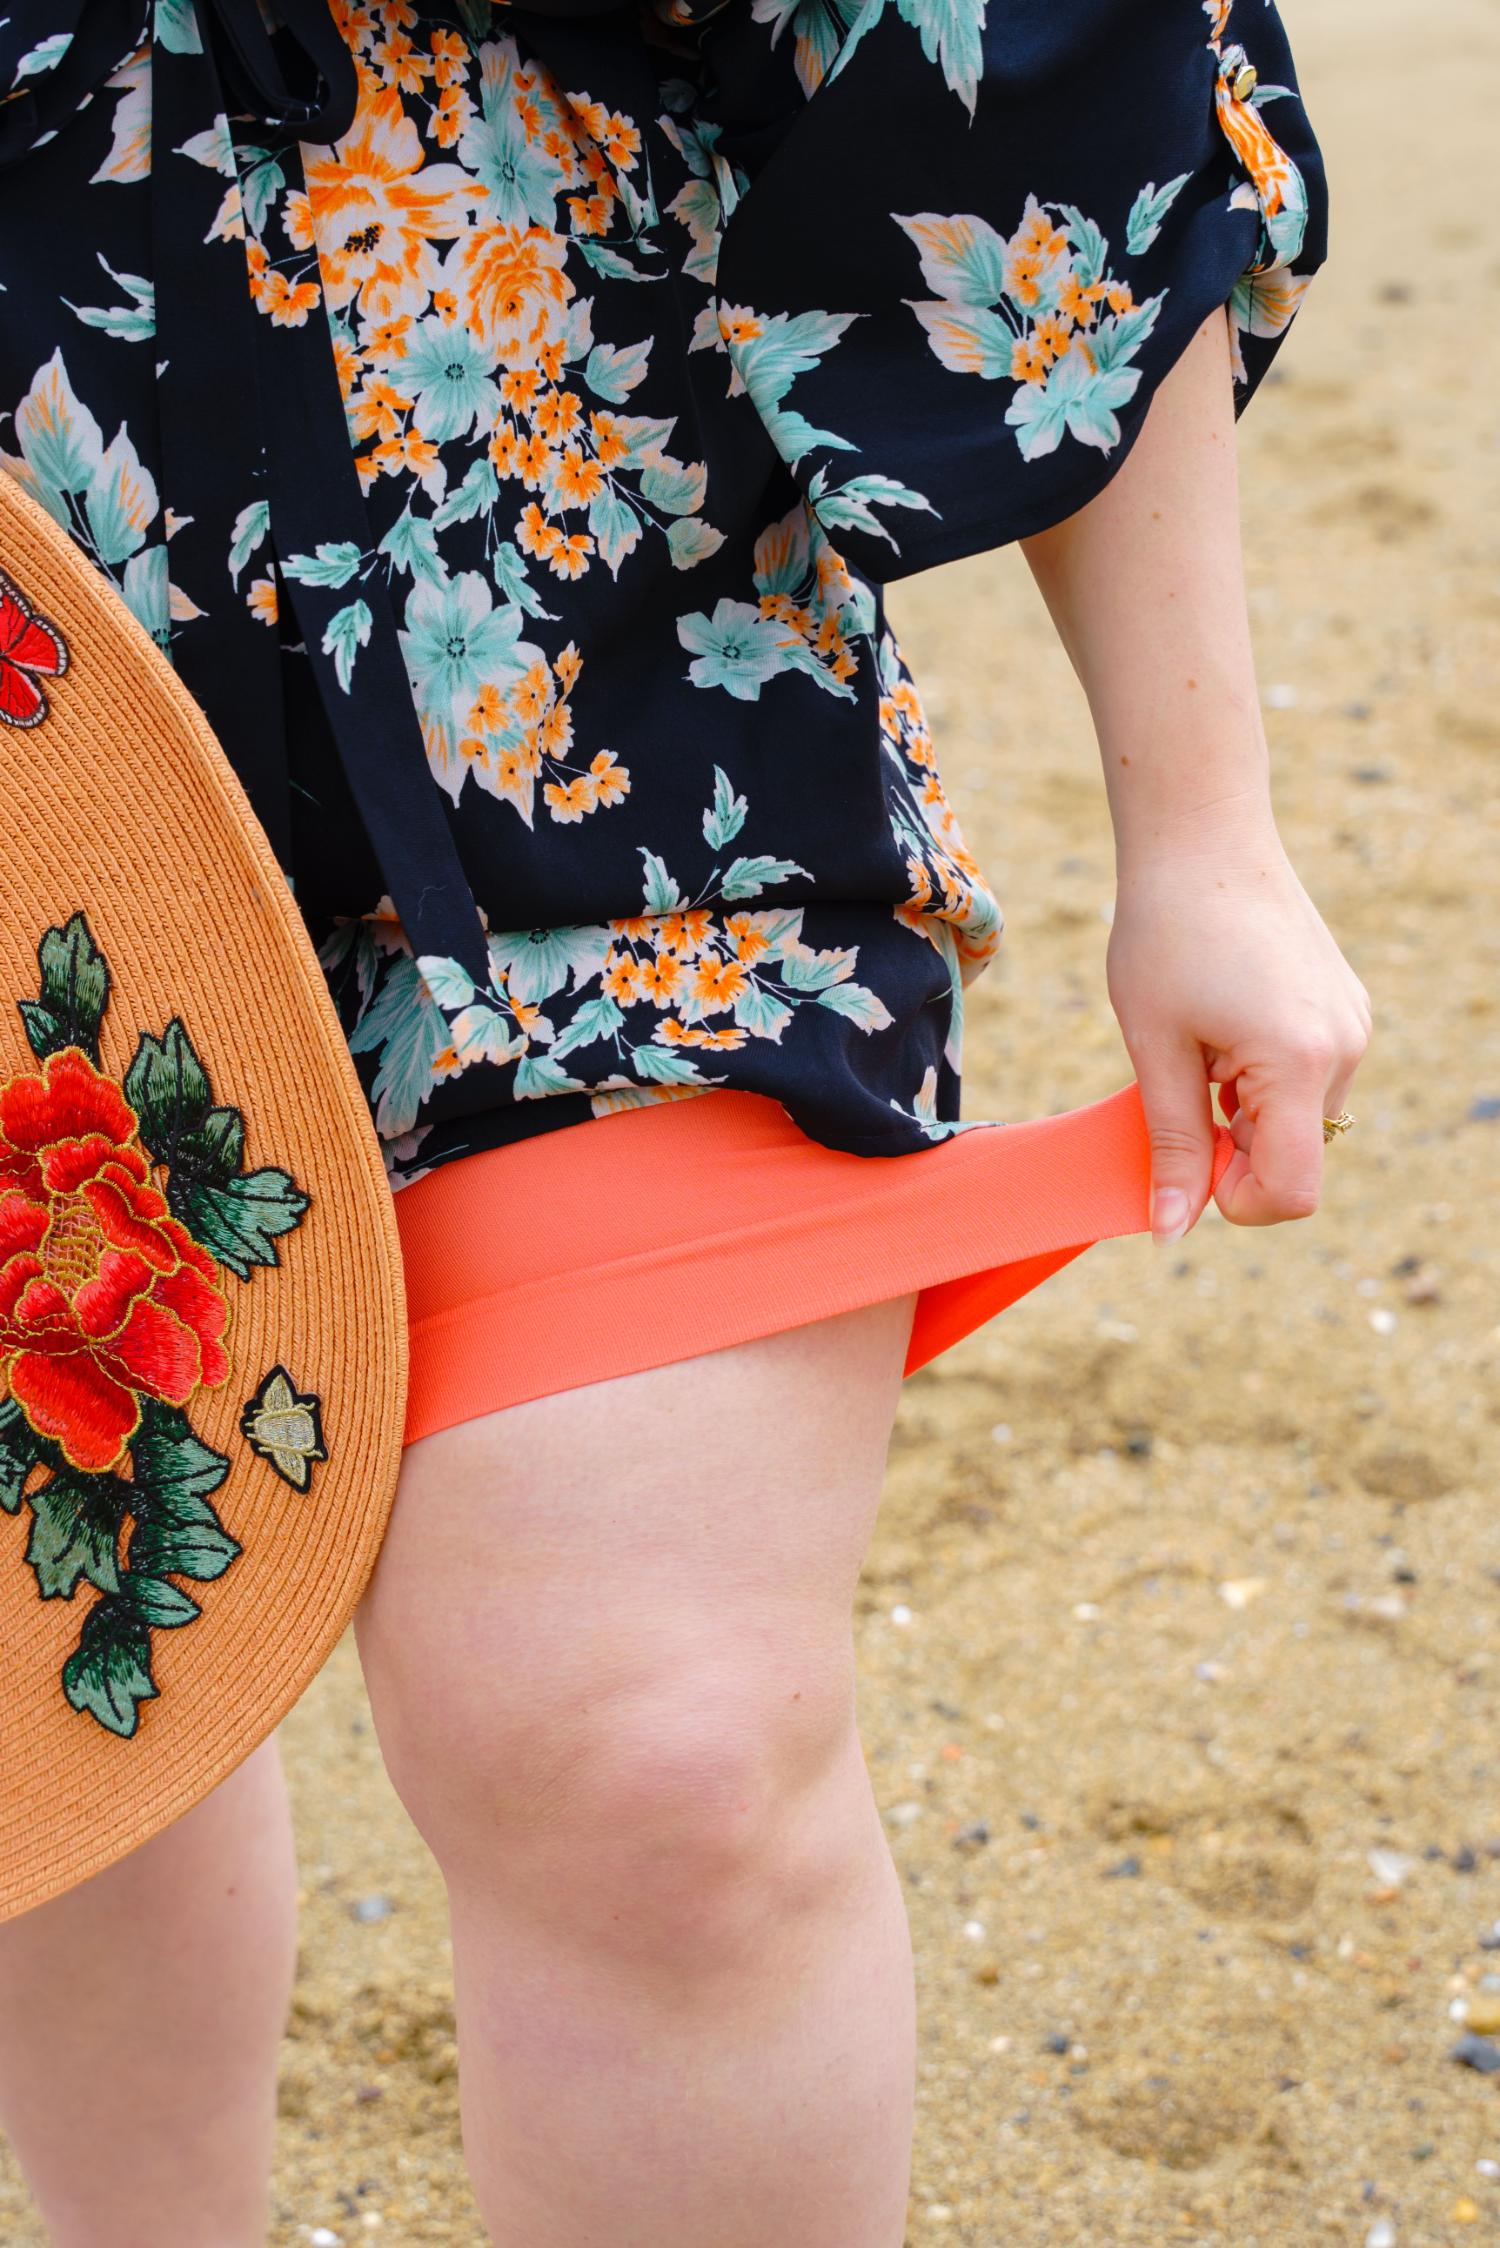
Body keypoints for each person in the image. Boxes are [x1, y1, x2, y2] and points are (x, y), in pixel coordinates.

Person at [0, 0, 1369, 2239]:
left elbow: (1029, 57)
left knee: (650, 1745)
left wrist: (1202, 824)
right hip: (27, 732)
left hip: (609, 670)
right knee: (73, 1691)